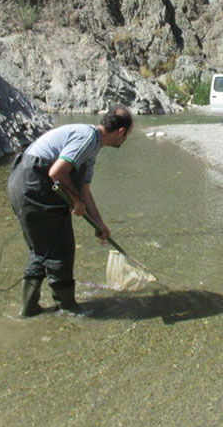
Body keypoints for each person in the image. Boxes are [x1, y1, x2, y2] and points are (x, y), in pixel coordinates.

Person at [8, 104, 133, 316]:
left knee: (42, 250)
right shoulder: (87, 138)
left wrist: (99, 224)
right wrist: (75, 201)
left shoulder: (92, 145)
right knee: (61, 251)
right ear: (120, 132)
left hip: (24, 186)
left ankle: (28, 310)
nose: (125, 140)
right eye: (127, 135)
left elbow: (85, 191)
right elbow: (56, 172)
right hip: (33, 188)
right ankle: (68, 310)